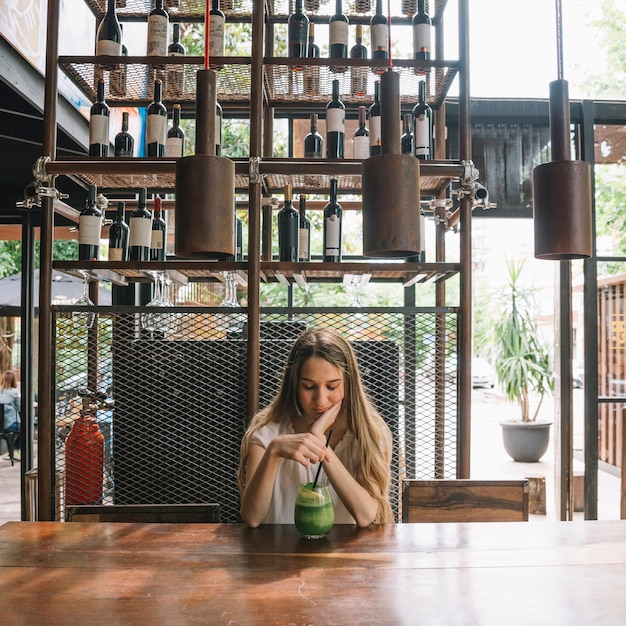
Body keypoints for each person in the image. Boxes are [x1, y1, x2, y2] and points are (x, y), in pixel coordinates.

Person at [238, 327, 393, 527]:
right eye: (309, 387)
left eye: (332, 386)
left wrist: (319, 439)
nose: (320, 400)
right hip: (279, 555)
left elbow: (365, 515)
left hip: (347, 557)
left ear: (348, 384)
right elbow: (252, 517)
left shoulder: (370, 434)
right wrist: (273, 452)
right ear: (294, 384)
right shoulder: (267, 432)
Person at [1, 370, 21, 457]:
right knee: (25, 428)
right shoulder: (14, 392)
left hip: (1, 425)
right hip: (10, 425)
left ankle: (13, 452)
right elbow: (20, 407)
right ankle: (16, 451)